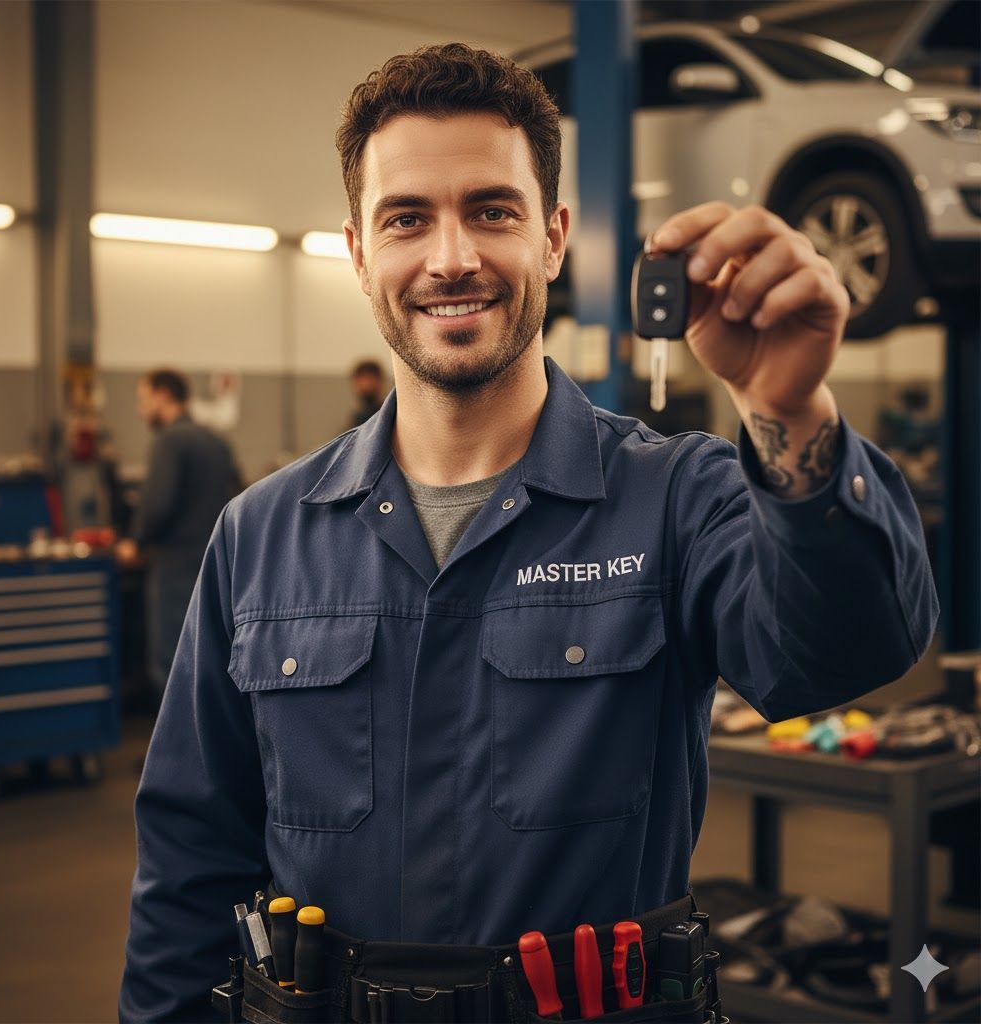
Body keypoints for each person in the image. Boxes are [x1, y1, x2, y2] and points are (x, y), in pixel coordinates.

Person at [120, 44, 937, 1021]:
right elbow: (188, 864)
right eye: (407, 218)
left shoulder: (678, 497)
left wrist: (788, 412)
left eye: (490, 210)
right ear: (357, 251)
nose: (451, 256)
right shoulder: (259, 536)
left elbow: (849, 651)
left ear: (553, 238)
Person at [120, 368, 242, 708]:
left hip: (174, 571)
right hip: (216, 567)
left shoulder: (170, 441)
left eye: (143, 400)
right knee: (209, 663)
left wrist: (136, 541)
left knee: (171, 664)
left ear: (162, 396)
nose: (140, 410)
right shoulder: (216, 442)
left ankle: (172, 759)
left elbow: (158, 503)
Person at [347, 358, 387, 428]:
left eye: (370, 379)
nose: (367, 384)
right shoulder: (356, 417)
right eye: (361, 380)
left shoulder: (386, 414)